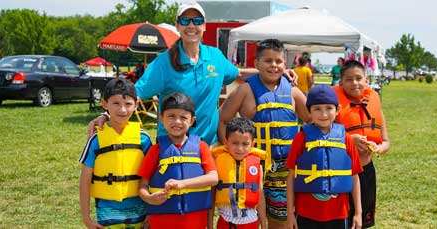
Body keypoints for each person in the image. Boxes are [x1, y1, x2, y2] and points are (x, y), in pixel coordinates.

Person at [87, 2, 296, 145]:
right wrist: (107, 113)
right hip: (172, 145)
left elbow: (239, 73)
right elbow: (135, 92)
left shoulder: (214, 56)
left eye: (197, 21)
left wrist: (277, 72)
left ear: (204, 26)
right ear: (178, 25)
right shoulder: (164, 62)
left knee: (206, 204)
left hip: (209, 145)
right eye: (185, 21)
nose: (191, 26)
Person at [218, 39, 310, 229]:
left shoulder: (293, 92)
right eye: (268, 61)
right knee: (249, 217)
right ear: (256, 63)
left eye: (278, 61)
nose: (274, 65)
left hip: (285, 168)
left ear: (286, 65)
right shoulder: (245, 90)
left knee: (281, 220)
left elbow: (311, 119)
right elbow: (223, 120)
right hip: (251, 166)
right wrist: (230, 150)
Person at [286, 85, 363, 229]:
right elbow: (290, 177)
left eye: (329, 108)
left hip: (339, 214)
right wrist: (290, 213)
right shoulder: (300, 138)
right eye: (317, 109)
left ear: (338, 109)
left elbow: (354, 176)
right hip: (306, 214)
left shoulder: (346, 139)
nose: (324, 114)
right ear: (309, 111)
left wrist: (358, 212)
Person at [79, 78, 152, 228]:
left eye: (128, 104)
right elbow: (84, 180)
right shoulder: (96, 139)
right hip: (107, 211)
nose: (123, 110)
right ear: (105, 104)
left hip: (139, 209)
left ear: (136, 104)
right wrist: (86, 218)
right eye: (116, 103)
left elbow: (153, 176)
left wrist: (152, 211)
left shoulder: (144, 139)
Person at [137, 92, 218, 228]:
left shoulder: (201, 147)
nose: (177, 122)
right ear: (162, 118)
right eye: (171, 116)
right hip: (162, 220)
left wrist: (183, 184)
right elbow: (142, 186)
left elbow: (213, 178)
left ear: (192, 120)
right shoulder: (155, 150)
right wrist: (148, 198)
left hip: (195, 219)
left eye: (183, 117)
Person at [332, 60, 390, 228]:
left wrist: (379, 148)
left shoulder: (374, 103)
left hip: (366, 171)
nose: (355, 83)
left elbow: (386, 142)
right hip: (340, 173)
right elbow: (320, 136)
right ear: (341, 82)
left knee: (362, 222)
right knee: (341, 221)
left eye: (359, 78)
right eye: (349, 79)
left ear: (366, 80)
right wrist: (349, 140)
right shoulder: (332, 107)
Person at [208, 117, 267, 229]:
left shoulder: (257, 167)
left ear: (253, 144)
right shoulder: (218, 164)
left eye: (245, 144)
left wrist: (263, 224)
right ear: (226, 142)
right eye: (235, 143)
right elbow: (211, 196)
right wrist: (210, 225)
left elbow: (260, 196)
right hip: (225, 223)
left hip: (250, 224)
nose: (240, 148)